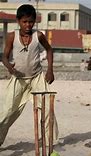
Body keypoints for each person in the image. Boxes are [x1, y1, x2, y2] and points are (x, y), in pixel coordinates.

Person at [0, 4, 59, 146]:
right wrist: (9, 67)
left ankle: (47, 140)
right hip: (18, 80)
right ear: (18, 21)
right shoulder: (11, 36)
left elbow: (49, 50)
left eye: (31, 21)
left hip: (37, 78)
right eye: (24, 21)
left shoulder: (38, 36)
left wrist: (50, 70)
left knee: (46, 110)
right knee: (7, 112)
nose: (28, 25)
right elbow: (4, 57)